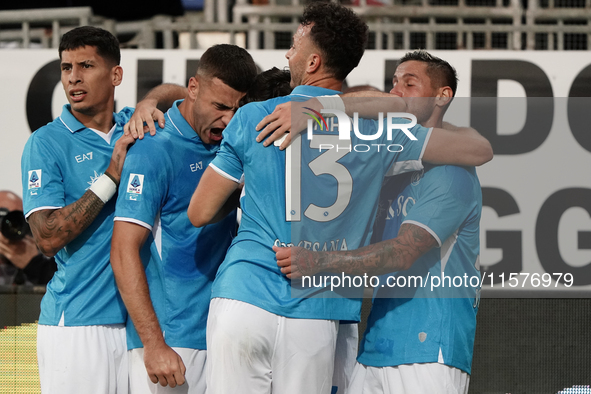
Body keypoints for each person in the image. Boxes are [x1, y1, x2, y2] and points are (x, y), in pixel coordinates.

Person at [187, 3, 491, 394]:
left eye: (294, 45)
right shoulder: (379, 131)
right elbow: (477, 151)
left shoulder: (254, 117)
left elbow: (200, 211)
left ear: (312, 61)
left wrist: (256, 182)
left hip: (244, 296)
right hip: (317, 311)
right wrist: (333, 109)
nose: (287, 55)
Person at [274, 50, 482, 394]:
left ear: (443, 95)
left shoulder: (451, 173)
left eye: (409, 84)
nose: (395, 92)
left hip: (428, 351)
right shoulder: (391, 165)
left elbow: (402, 254)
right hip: (376, 347)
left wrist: (318, 261)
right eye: (393, 83)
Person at [110, 44, 257, 394]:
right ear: (194, 88)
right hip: (172, 342)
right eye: (220, 107)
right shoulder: (152, 149)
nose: (229, 120)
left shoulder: (233, 142)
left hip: (224, 334)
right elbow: (123, 251)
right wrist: (154, 344)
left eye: (238, 109)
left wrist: (152, 98)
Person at [20, 26, 142, 394]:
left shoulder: (133, 126)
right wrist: (111, 177)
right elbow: (47, 236)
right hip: (77, 326)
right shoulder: (45, 143)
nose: (73, 77)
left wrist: (151, 104)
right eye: (66, 67)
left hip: (138, 326)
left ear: (116, 74)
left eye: (86, 65)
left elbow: (185, 98)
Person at [0, 190, 56, 285]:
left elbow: (67, 288)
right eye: (4, 219)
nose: (12, 227)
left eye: (18, 220)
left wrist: (35, 265)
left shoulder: (46, 260)